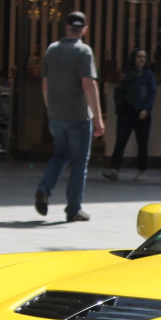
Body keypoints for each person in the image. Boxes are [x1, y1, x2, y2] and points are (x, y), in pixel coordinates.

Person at [34, 11, 104, 223]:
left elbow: (44, 84)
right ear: (84, 30)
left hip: (56, 114)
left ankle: (44, 188)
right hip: (78, 115)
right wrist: (99, 118)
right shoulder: (84, 51)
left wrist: (51, 109)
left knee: (60, 154)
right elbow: (88, 85)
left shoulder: (52, 50)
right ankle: (73, 209)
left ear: (65, 27)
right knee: (79, 163)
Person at [102, 48, 155, 182]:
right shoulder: (127, 72)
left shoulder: (148, 74)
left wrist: (146, 109)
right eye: (139, 56)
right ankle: (114, 169)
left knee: (142, 142)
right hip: (126, 111)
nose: (142, 59)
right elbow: (121, 89)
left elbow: (152, 92)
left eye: (144, 57)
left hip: (141, 111)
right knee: (120, 140)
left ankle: (141, 171)